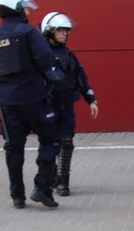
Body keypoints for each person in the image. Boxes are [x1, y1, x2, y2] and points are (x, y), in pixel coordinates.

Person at [0, 0, 63, 210]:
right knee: (51, 140)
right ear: (17, 9)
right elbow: (45, 60)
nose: (28, 11)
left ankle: (17, 195)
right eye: (25, 7)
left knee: (13, 147)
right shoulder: (29, 32)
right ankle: (42, 188)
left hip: (8, 101)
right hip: (34, 97)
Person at [41, 12, 98, 197]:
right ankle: (50, 178)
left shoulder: (69, 55)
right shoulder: (41, 55)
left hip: (66, 105)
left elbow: (80, 78)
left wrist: (90, 99)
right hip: (48, 106)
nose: (64, 34)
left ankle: (63, 182)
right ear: (49, 32)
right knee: (51, 143)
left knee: (67, 143)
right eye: (60, 30)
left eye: (66, 31)